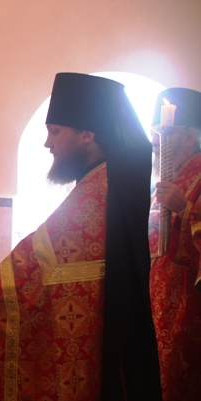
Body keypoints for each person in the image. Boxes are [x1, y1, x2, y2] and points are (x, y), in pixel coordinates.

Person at [0, 73, 162, 400]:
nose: (47, 143)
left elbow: (18, 283)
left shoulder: (94, 197)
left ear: (87, 134)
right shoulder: (106, 183)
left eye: (55, 131)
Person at [148, 87, 201, 401]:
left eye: (163, 134)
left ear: (189, 138)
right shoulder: (167, 179)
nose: (155, 142)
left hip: (189, 302)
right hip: (156, 299)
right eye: (154, 133)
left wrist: (186, 209)